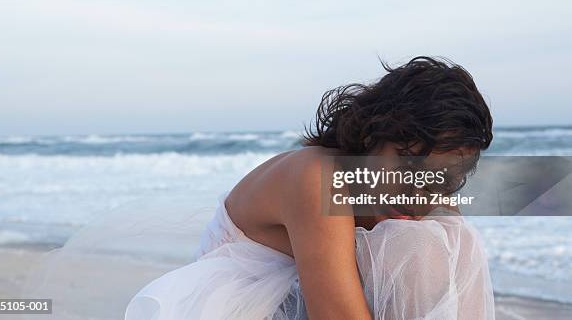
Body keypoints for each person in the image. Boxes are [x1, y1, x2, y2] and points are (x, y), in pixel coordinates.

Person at [125, 56, 495, 320]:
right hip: (241, 309)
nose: (418, 197)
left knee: (442, 238)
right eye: (408, 164)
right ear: (370, 135)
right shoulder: (316, 177)